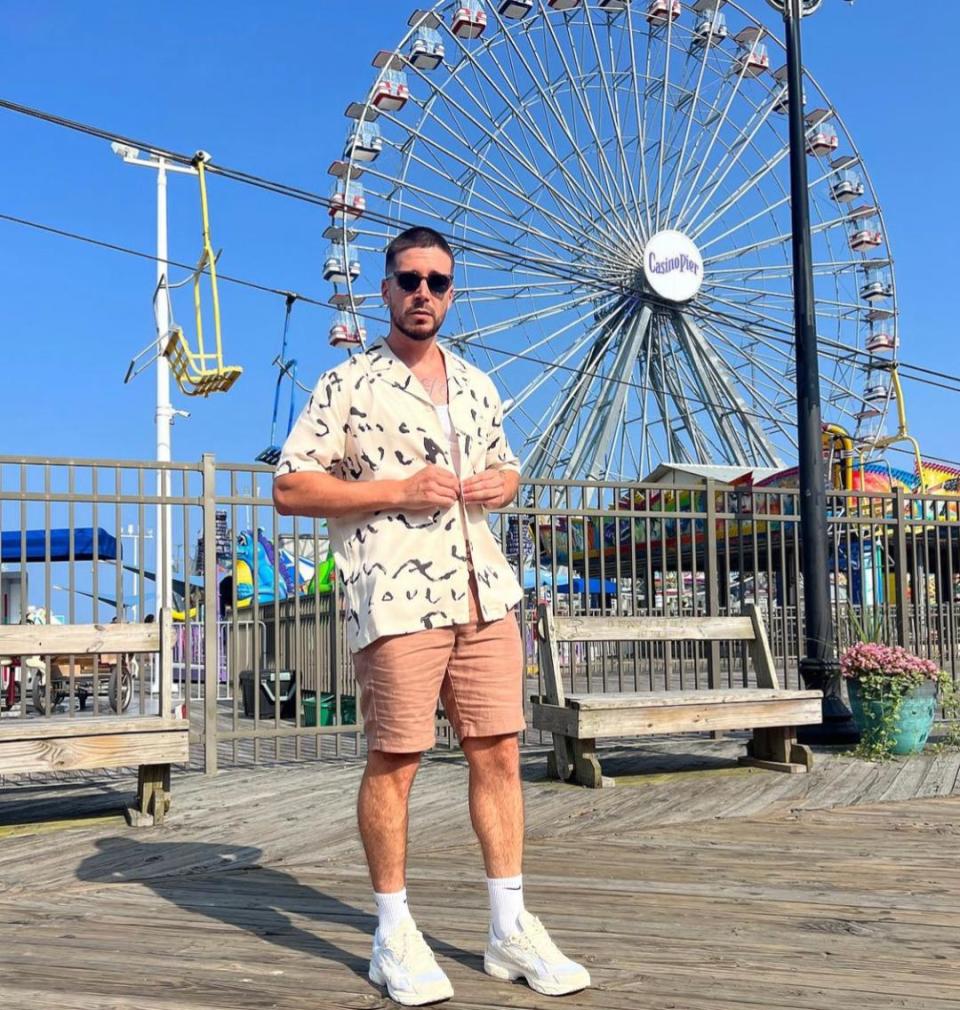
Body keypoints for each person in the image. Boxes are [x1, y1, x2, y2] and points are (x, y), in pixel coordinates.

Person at [274, 226, 589, 1005]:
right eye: (409, 279)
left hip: (487, 591)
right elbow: (290, 487)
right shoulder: (346, 384)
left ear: (453, 292)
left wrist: (504, 484)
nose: (423, 294)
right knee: (398, 760)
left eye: (438, 282)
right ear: (383, 289)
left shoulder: (479, 385)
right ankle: (393, 932)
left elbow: (503, 465)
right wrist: (396, 490)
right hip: (398, 597)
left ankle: (509, 929)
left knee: (501, 755)